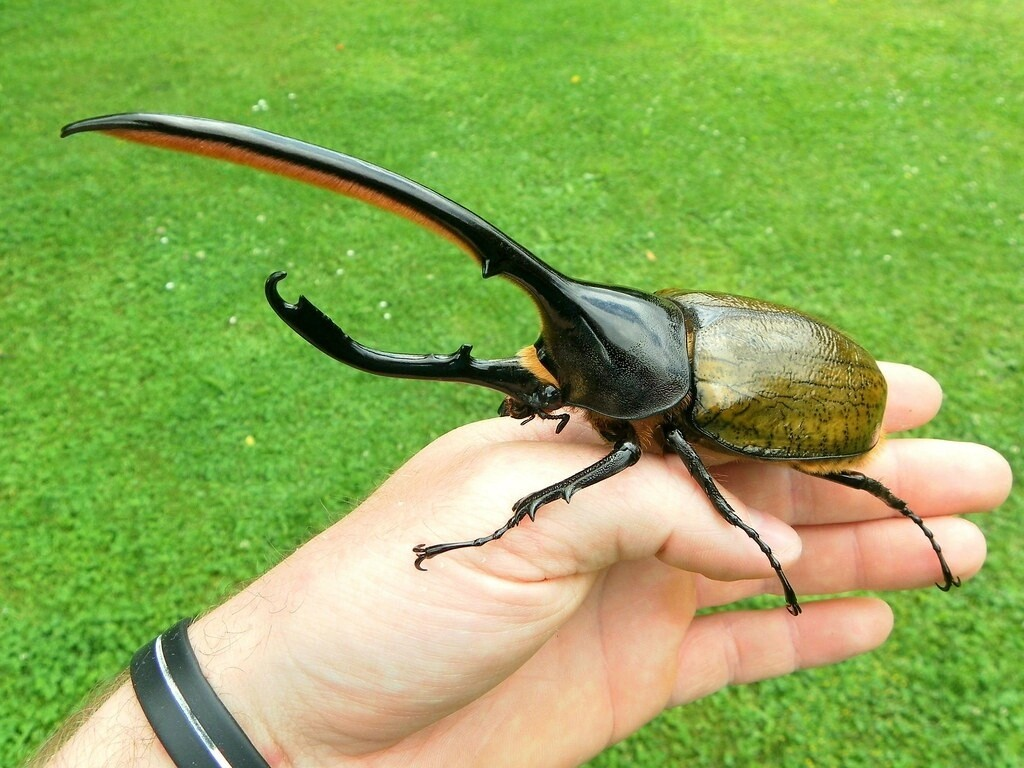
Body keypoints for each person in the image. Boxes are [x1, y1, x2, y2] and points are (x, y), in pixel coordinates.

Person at [31, 363, 1010, 767]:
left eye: (556, 382)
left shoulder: (653, 421)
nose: (533, 394)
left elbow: (624, 472)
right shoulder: (622, 392)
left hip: (804, 399)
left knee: (648, 485)